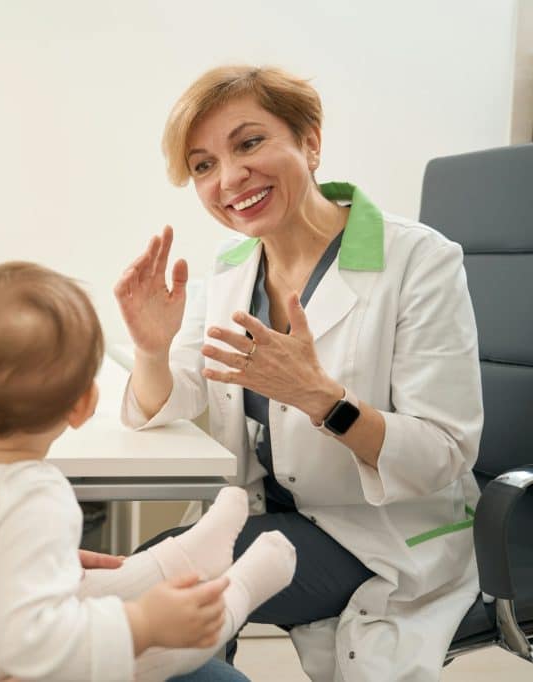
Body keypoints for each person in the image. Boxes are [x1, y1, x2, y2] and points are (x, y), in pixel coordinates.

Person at [114, 65, 484, 681]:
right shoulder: (233, 264)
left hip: (377, 532)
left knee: (158, 597)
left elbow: (443, 453)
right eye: (204, 165)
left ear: (310, 141)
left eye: (249, 143)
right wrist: (152, 349)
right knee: (152, 606)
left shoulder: (419, 260)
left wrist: (323, 400)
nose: (230, 179)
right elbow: (174, 395)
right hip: (271, 513)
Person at [0, 261, 296, 681]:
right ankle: (234, 596)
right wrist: (143, 624)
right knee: (153, 649)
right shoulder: (33, 497)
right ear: (84, 407)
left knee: (77, 585)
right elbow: (35, 645)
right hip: (10, 667)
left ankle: (183, 557)